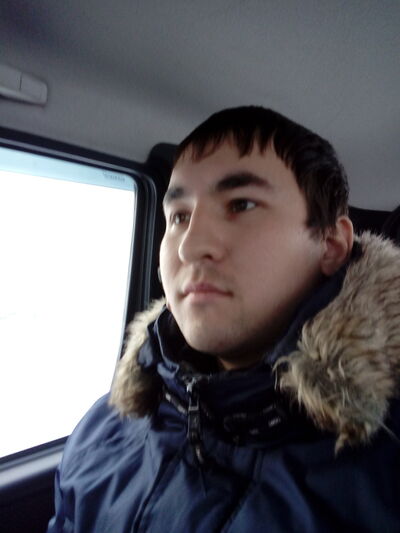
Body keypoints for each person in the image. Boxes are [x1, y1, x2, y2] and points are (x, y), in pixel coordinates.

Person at [47, 107, 400, 532]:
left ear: (331, 244)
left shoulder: (384, 471)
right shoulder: (104, 428)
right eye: (179, 216)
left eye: (241, 204)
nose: (190, 246)